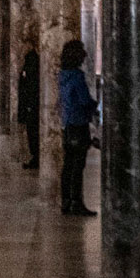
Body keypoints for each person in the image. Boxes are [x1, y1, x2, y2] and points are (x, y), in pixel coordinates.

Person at [58, 37, 97, 216]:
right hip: (79, 124)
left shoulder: (63, 75)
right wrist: (93, 105)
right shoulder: (77, 76)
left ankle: (66, 201)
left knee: (68, 165)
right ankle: (76, 202)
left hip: (67, 124)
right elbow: (83, 100)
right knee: (77, 165)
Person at [16, 40, 41, 169]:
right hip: (29, 103)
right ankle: (34, 156)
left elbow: (31, 84)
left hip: (31, 103)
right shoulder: (28, 60)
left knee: (33, 131)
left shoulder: (32, 60)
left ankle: (36, 157)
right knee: (31, 131)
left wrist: (29, 105)